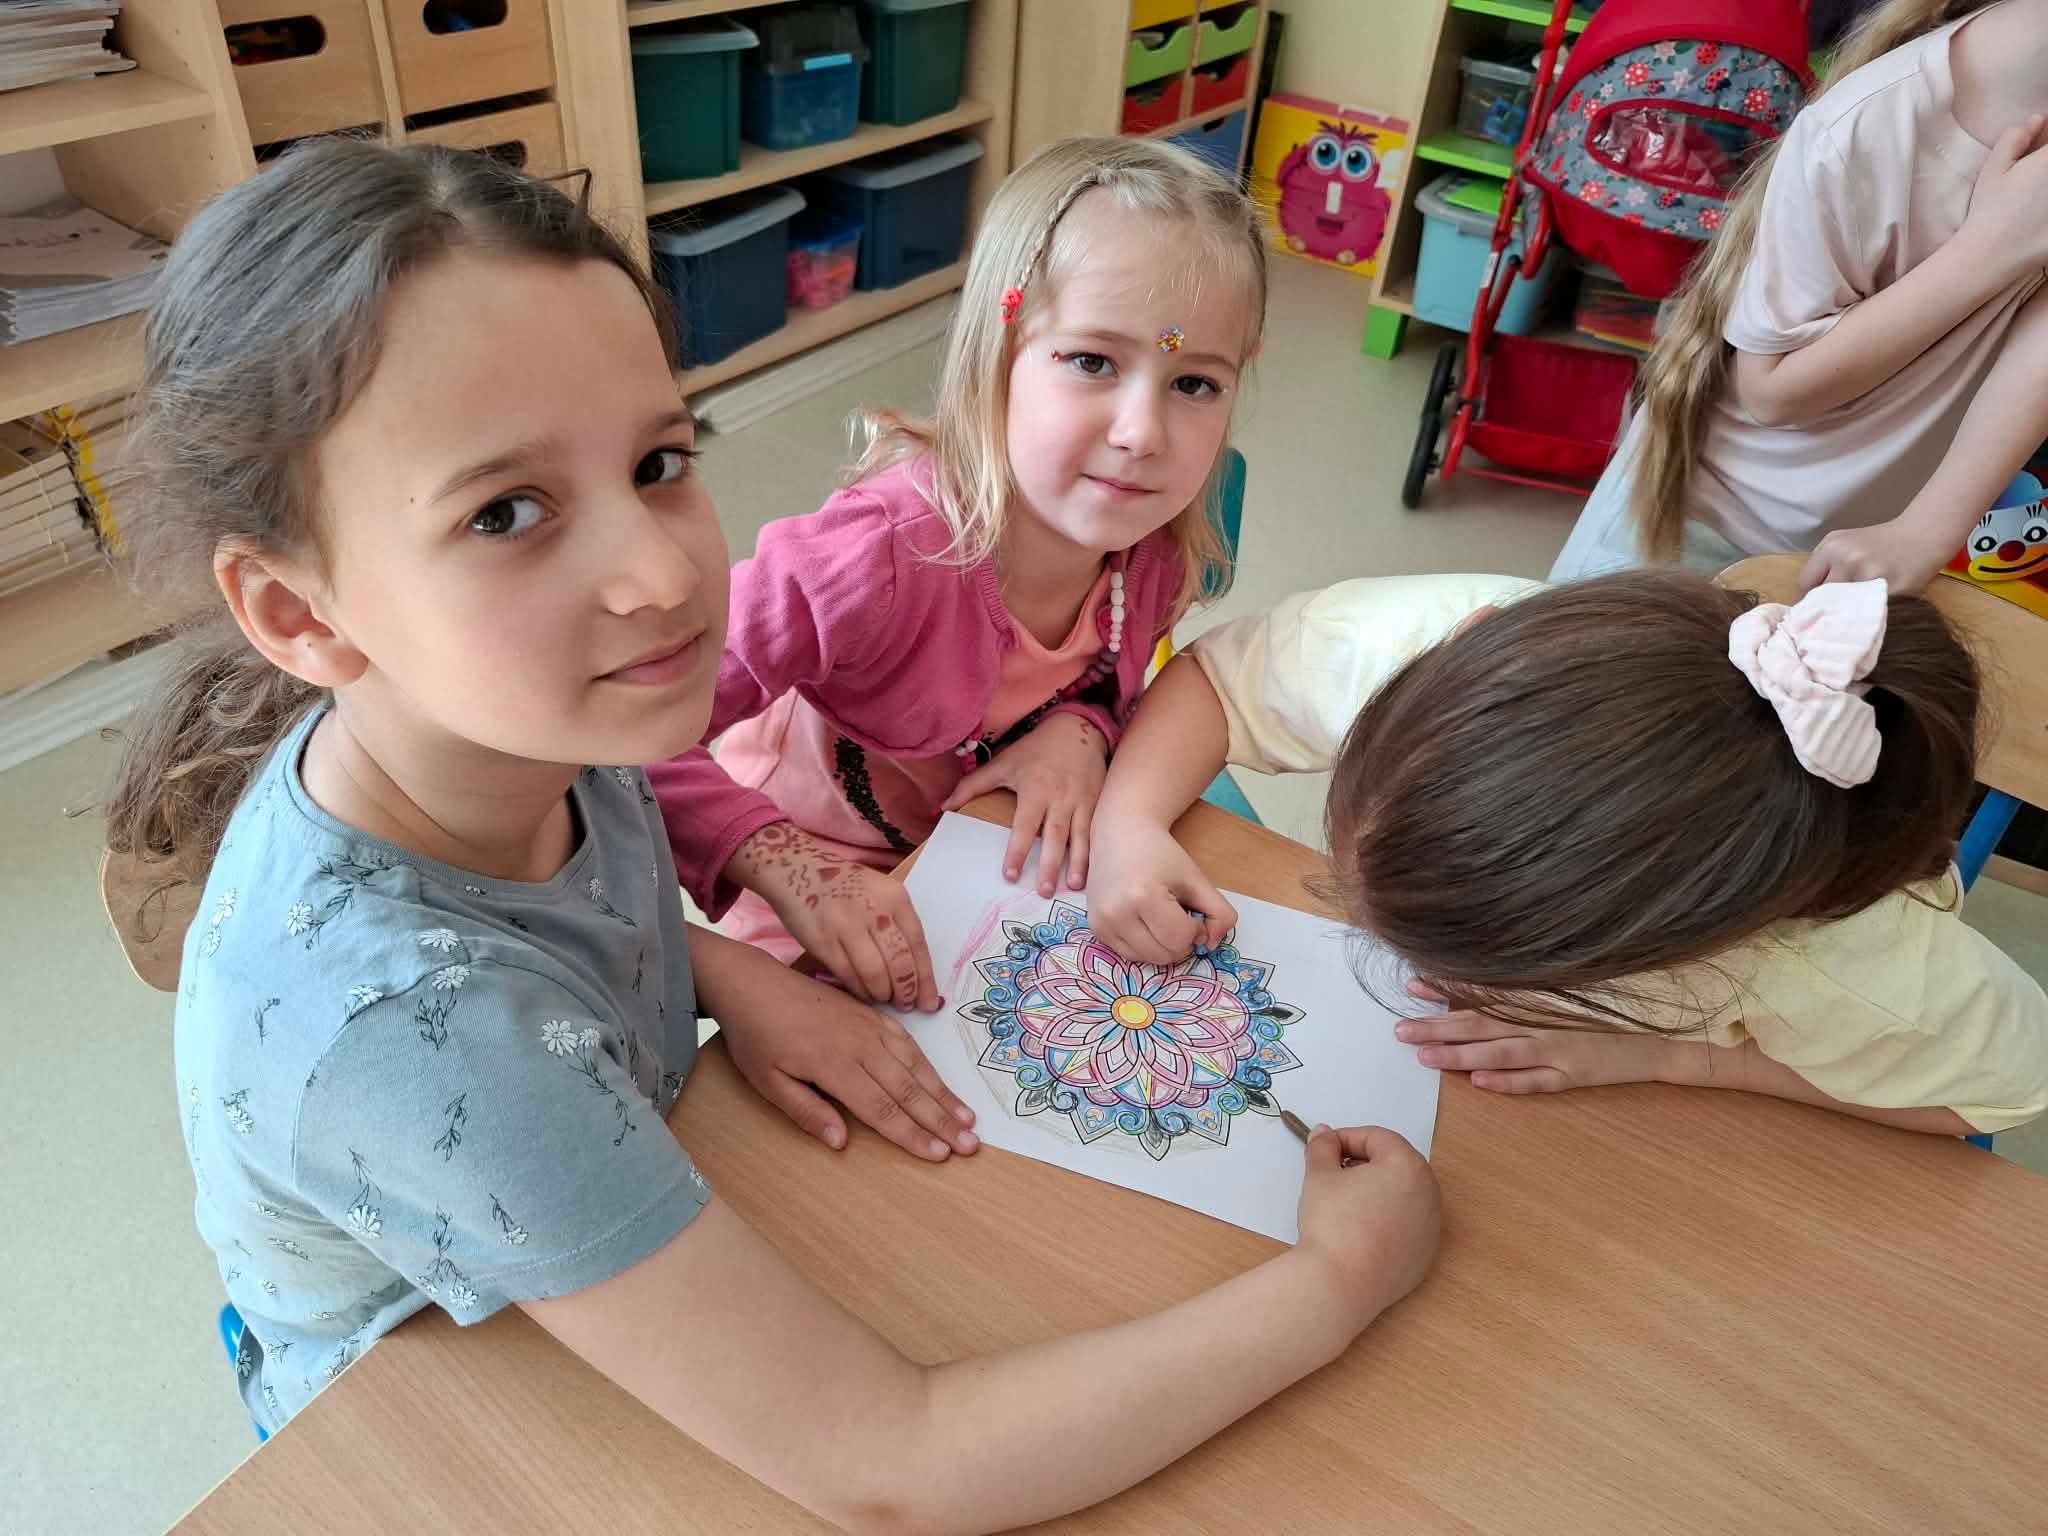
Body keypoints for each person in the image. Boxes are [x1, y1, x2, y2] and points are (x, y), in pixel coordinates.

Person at [109, 140, 1440, 1529]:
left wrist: (726, 975)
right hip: (427, 1425)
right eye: (504, 512)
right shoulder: (434, 1028)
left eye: (658, 462)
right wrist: (1337, 1282)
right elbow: (896, 1468)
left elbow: (571, 929)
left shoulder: (542, 735)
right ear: (297, 613)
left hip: (600, 1201)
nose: (663, 573)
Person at [1088, 571, 2048, 1138]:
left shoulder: (1840, 971)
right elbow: (1217, 680)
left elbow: (2002, 1094)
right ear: (1465, 645)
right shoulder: (1450, 663)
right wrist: (1127, 822)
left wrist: (1679, 1063)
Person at [649, 136, 1264, 1010]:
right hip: (807, 879)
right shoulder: (868, 556)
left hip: (980, 851)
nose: (1143, 434)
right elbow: (626, 740)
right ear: (996, 353)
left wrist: (1083, 729)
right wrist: (785, 866)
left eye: (1195, 383)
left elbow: (1116, 683)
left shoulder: (1156, 543)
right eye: (1092, 361)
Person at [1548, 0, 2048, 594]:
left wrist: (1927, 530)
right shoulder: (1869, 125)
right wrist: (1990, 249)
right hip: (1702, 528)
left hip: (1853, 550)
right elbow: (1773, 391)